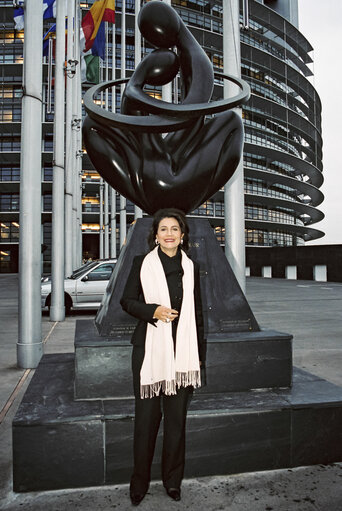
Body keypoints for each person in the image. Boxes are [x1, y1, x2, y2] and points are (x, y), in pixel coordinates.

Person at [120, 208, 206, 506]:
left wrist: (197, 359)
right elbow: (126, 301)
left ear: (183, 236)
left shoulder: (191, 267)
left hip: (182, 356)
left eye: (174, 229)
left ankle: (172, 481)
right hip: (149, 353)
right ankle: (139, 483)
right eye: (163, 229)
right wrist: (152, 311)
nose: (169, 234)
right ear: (155, 235)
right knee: (145, 422)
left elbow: (197, 316)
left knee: (176, 423)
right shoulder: (141, 263)